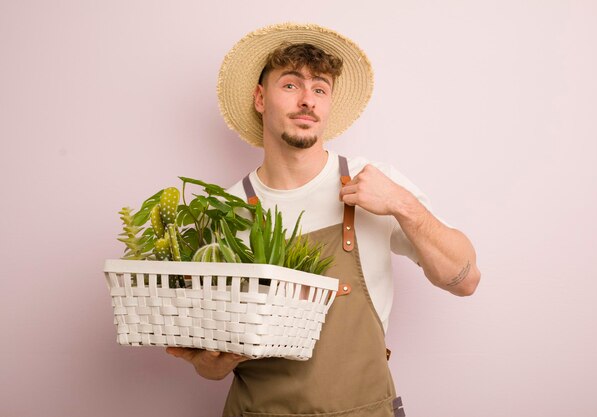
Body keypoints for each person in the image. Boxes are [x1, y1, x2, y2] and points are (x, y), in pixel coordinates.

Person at [166, 23, 480, 416]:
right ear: (261, 98)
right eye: (291, 85)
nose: (307, 100)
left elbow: (465, 279)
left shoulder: (373, 183)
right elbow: (208, 370)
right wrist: (215, 358)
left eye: (319, 89)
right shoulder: (225, 212)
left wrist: (402, 203)